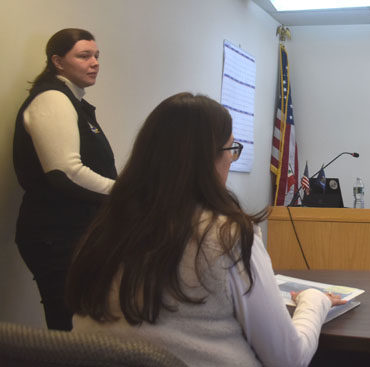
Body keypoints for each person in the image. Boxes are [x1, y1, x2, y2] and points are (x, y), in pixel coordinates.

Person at [66, 93, 344, 366]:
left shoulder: (102, 230)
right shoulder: (226, 236)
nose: (231, 161)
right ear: (205, 159)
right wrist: (314, 301)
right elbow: (288, 358)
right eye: (231, 150)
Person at [13, 28, 117, 331]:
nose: (94, 62)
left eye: (96, 55)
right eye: (84, 55)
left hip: (75, 233)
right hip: (55, 236)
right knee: (69, 328)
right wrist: (125, 192)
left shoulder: (74, 102)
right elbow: (66, 173)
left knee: (84, 325)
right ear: (57, 61)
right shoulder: (52, 99)